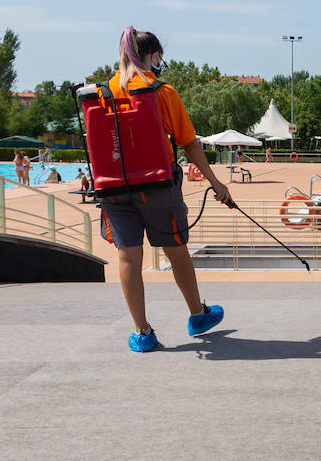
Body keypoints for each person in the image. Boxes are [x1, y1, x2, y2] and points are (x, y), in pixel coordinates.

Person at [98, 26, 233, 353]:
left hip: (114, 190)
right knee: (175, 250)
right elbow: (188, 143)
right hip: (157, 187)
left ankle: (142, 333)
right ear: (153, 56)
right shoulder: (162, 92)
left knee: (128, 257)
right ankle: (198, 315)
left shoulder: (102, 92)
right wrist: (216, 183)